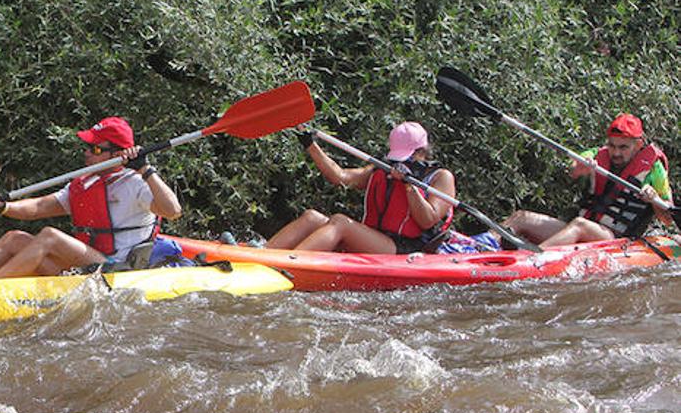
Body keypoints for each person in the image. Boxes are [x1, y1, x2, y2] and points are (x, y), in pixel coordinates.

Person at [0, 116, 182, 281]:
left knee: (50, 236)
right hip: (85, 266)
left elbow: (173, 211)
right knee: (15, 238)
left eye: (95, 149)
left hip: (117, 269)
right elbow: (39, 207)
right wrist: (2, 206)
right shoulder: (85, 183)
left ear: (117, 154)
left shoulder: (136, 183)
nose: (87, 152)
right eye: (87, 146)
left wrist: (145, 169)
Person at [266, 121, 456, 254]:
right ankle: (261, 255)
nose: (404, 161)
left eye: (409, 156)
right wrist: (309, 144)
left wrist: (409, 185)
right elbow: (340, 177)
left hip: (407, 247)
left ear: (422, 151)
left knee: (340, 222)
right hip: (376, 238)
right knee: (311, 217)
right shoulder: (385, 168)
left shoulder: (441, 177)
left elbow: (427, 220)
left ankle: (289, 264)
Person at [501, 113, 672, 248]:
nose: (616, 153)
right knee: (521, 217)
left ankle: (533, 258)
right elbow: (573, 169)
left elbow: (667, 218)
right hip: (580, 229)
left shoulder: (655, 170)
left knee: (580, 225)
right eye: (612, 146)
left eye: (623, 147)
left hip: (615, 239)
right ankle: (485, 245)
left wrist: (654, 198)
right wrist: (581, 167)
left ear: (638, 145)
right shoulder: (597, 154)